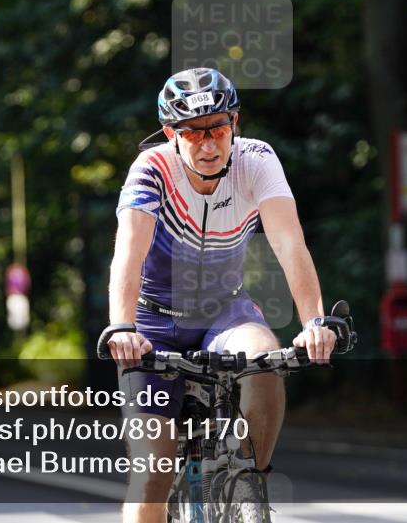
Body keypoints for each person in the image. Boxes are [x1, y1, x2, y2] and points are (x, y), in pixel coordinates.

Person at [105, 68, 338, 523]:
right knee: (153, 468)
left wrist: (315, 321)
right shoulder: (151, 169)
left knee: (266, 361)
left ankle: (253, 478)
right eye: (193, 133)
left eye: (218, 129)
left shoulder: (258, 159)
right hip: (154, 322)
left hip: (223, 310)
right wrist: (122, 327)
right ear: (172, 134)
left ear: (235, 122)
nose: (208, 144)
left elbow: (289, 243)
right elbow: (127, 256)